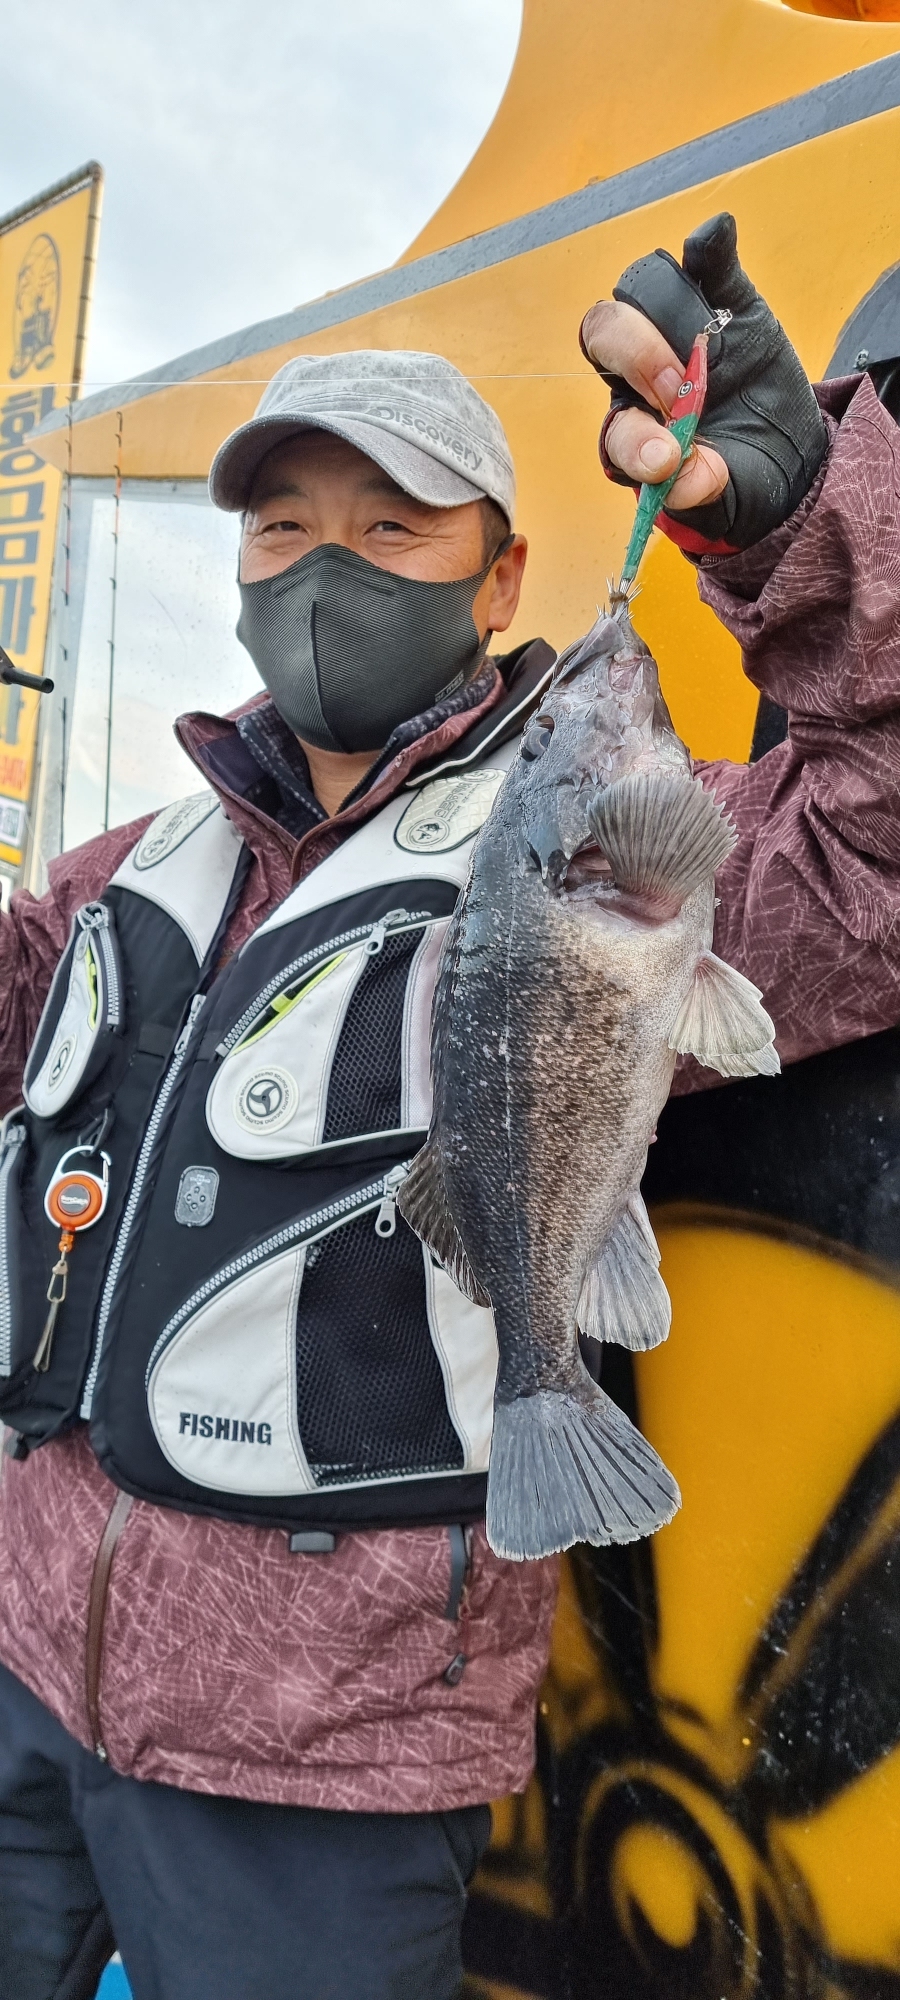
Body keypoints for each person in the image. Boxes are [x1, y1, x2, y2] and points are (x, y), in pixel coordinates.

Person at [0, 213, 898, 2000]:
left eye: (392, 526)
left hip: (328, 1772)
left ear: (501, 579)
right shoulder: (136, 863)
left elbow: (877, 851)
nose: (324, 569)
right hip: (22, 1673)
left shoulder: (614, 840)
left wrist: (795, 539)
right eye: (282, 528)